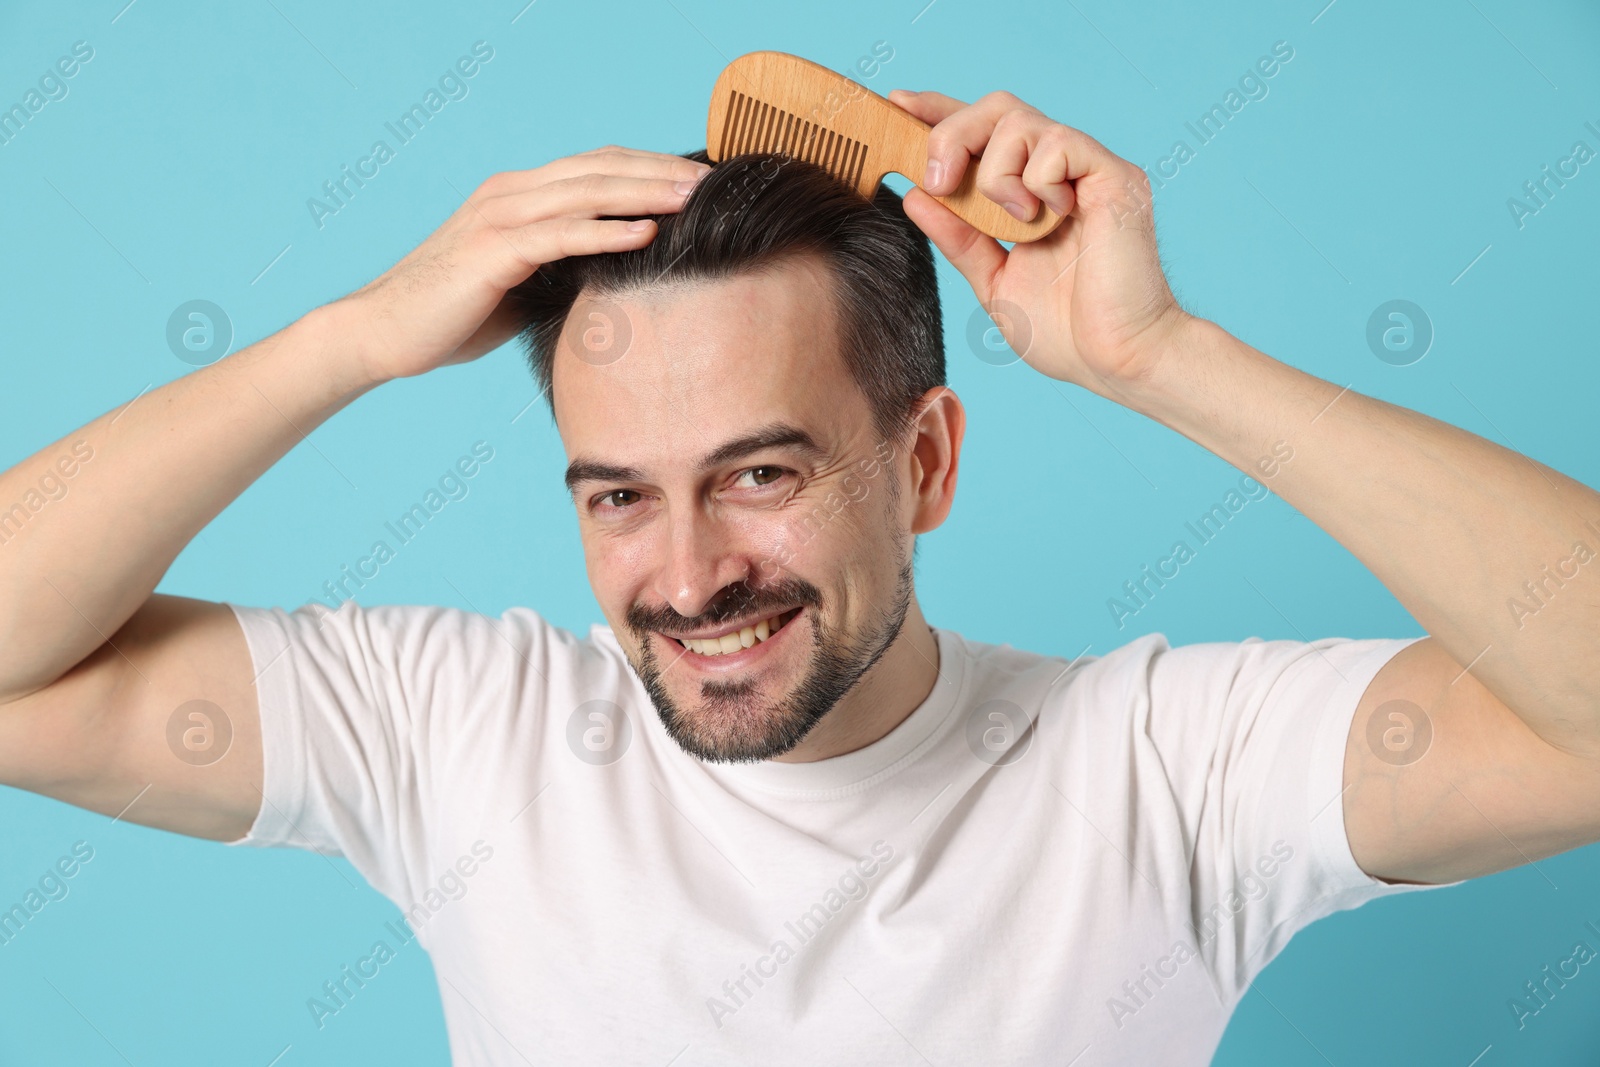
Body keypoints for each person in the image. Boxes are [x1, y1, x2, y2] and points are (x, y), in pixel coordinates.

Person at [1, 86, 1596, 1066]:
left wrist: (1161, 359)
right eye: (621, 494)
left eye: (761, 475)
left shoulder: (1167, 770)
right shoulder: (455, 733)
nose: (689, 577)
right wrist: (341, 343)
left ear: (925, 465)